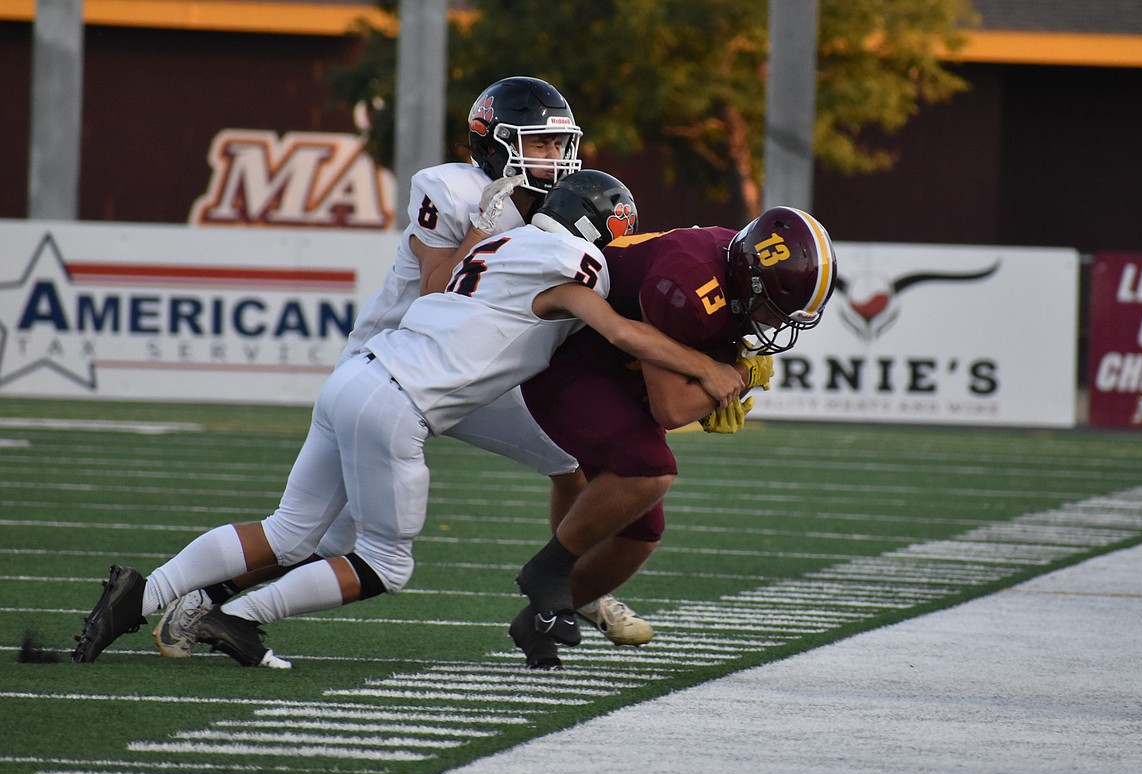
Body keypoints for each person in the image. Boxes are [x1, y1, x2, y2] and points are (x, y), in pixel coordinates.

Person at [73, 169, 746, 668]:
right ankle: (237, 615)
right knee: (385, 563)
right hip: (400, 402)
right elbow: (624, 335)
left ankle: (143, 592)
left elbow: (451, 285)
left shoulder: (491, 249)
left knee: (291, 530)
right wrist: (714, 370)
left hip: (356, 374)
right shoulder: (576, 266)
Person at [150, 76, 651, 658]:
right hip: (401, 360)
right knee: (323, 535)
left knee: (571, 462)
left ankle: (568, 586)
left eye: (559, 143)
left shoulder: (558, 206)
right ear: (495, 142)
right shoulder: (453, 190)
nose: (555, 158)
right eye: (539, 144)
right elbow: (440, 289)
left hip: (474, 370)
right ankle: (204, 603)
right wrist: (483, 230)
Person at [509, 206, 838, 669]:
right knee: (649, 470)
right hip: (570, 360)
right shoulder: (689, 284)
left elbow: (702, 354)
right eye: (772, 308)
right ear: (752, 283)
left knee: (643, 533)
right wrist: (736, 375)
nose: (774, 323)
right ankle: (549, 571)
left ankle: (541, 614)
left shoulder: (737, 265)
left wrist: (722, 372)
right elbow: (672, 409)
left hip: (620, 369)